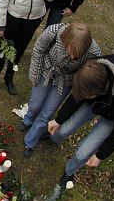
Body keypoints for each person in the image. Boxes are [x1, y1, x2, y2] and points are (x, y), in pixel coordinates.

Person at [42, 55, 114, 201]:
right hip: (93, 103)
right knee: (63, 129)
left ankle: (69, 172)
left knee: (83, 154)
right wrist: (59, 119)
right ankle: (53, 138)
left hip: (112, 116)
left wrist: (101, 155)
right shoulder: (92, 69)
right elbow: (76, 96)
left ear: (100, 91)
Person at [21, 23, 100, 158]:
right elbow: (39, 50)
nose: (73, 58)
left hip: (65, 81)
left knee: (47, 113)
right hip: (46, 70)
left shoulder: (94, 52)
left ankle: (30, 141)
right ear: (65, 40)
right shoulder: (53, 31)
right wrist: (34, 73)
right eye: (71, 51)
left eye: (77, 55)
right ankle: (28, 119)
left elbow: (85, 73)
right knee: (35, 104)